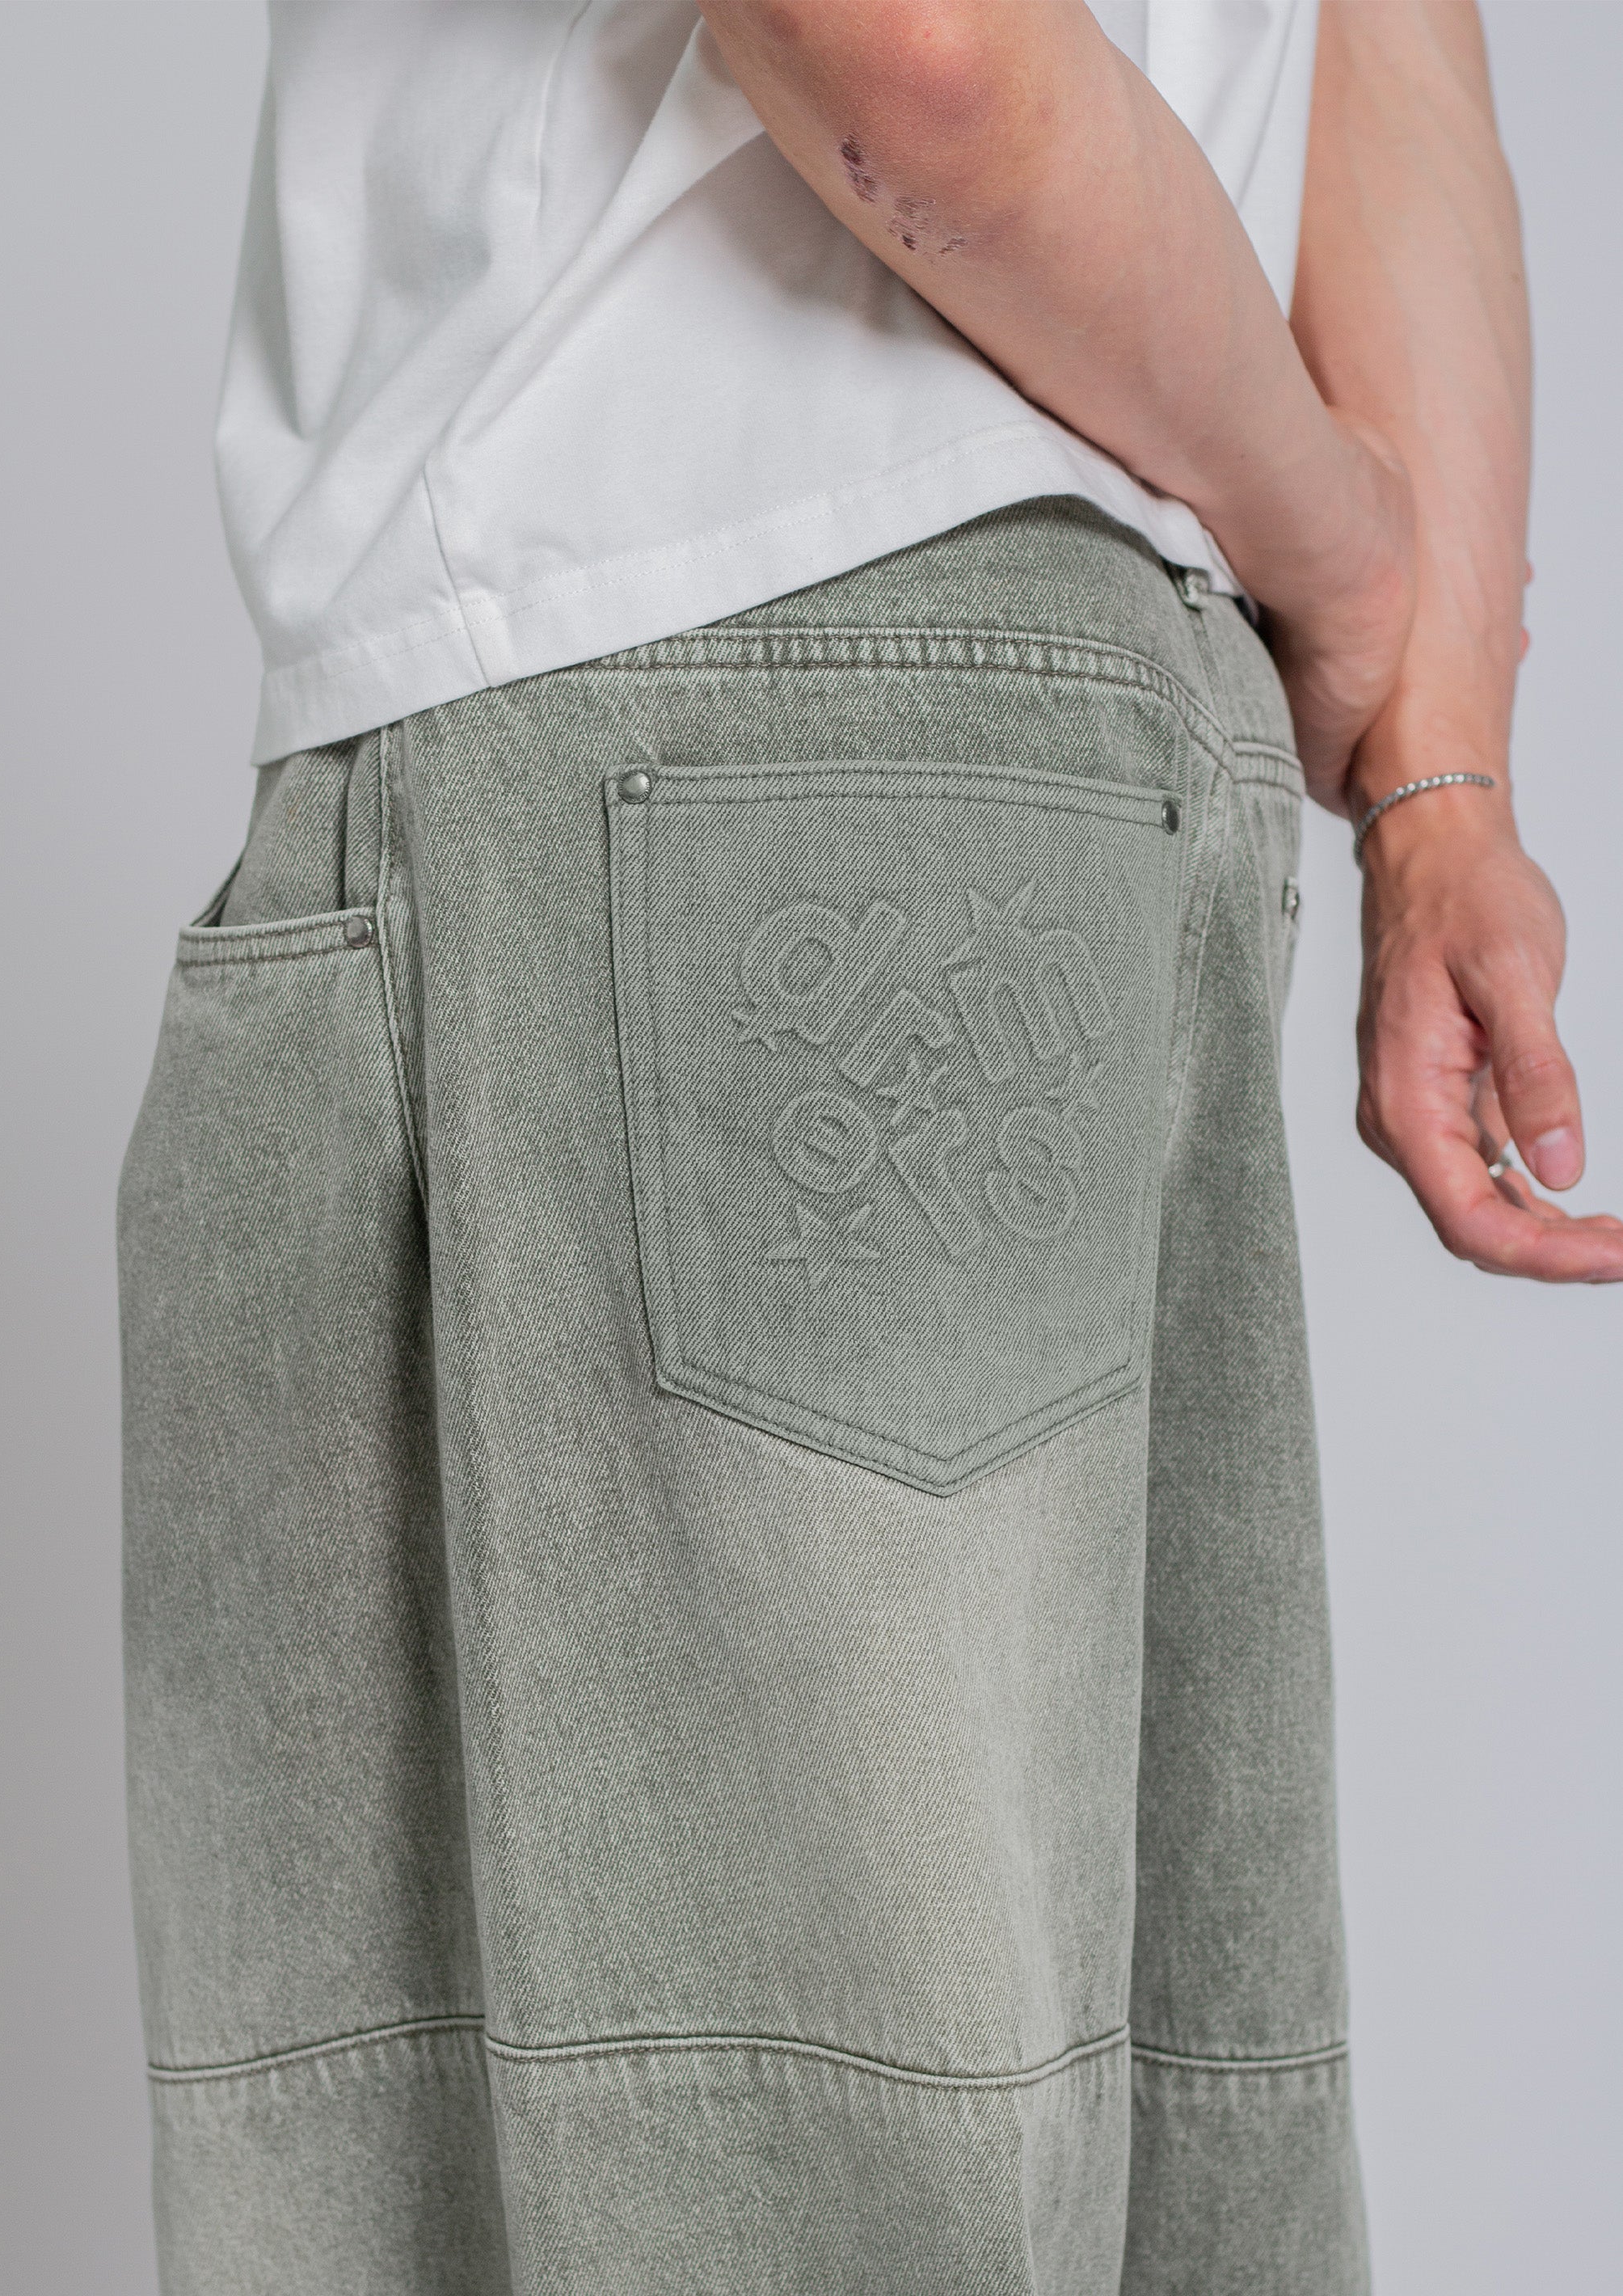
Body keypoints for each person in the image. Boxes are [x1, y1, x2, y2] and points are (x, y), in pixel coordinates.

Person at [117, 2, 1621, 2290]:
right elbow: (1389, 50)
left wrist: (1329, 530)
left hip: (670, 650)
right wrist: (1436, 766)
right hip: (1110, 752)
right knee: (1104, 2163)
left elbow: (910, 43)